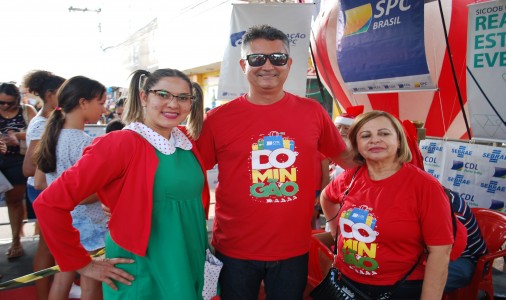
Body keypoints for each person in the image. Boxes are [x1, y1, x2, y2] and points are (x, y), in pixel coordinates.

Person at [197, 24, 353, 300]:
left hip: (293, 248)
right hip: (234, 250)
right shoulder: (217, 120)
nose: (267, 66)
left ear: (289, 63)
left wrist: (395, 165)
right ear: (243, 64)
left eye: (277, 58)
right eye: (257, 59)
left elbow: (347, 159)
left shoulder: (312, 112)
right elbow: (191, 173)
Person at [34, 69, 209, 299]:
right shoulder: (121, 143)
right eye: (163, 94)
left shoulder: (185, 140)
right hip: (145, 266)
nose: (173, 104)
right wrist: (82, 263)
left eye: (183, 97)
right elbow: (49, 203)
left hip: (189, 256)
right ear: (144, 97)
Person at [320, 110, 454, 299]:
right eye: (365, 135)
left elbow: (440, 253)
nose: (374, 140)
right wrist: (336, 234)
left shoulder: (425, 187)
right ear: (357, 145)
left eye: (384, 133)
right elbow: (326, 197)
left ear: (399, 141)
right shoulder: (351, 177)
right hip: (345, 284)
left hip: (399, 288)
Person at [32, 76, 108, 300]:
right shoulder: (84, 143)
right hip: (89, 224)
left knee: (63, 276)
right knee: (92, 284)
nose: (103, 109)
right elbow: (83, 194)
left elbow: (40, 182)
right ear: (83, 103)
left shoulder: (53, 136)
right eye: (101, 103)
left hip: (65, 222)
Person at [21, 70, 66, 300]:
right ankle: (43, 294)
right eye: (63, 91)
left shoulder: (52, 119)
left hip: (48, 190)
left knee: (52, 246)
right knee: (46, 247)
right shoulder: (41, 124)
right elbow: (29, 168)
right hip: (42, 190)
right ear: (50, 95)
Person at [0, 82, 37, 259]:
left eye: (9, 103)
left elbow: (37, 131)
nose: (6, 106)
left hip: (18, 160)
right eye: (1, 103)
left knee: (14, 201)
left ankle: (16, 241)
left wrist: (17, 136)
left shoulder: (27, 110)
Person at [443, 187, 487, 293]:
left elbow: (445, 251)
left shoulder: (452, 208)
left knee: (421, 278)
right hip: (445, 253)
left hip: (467, 260)